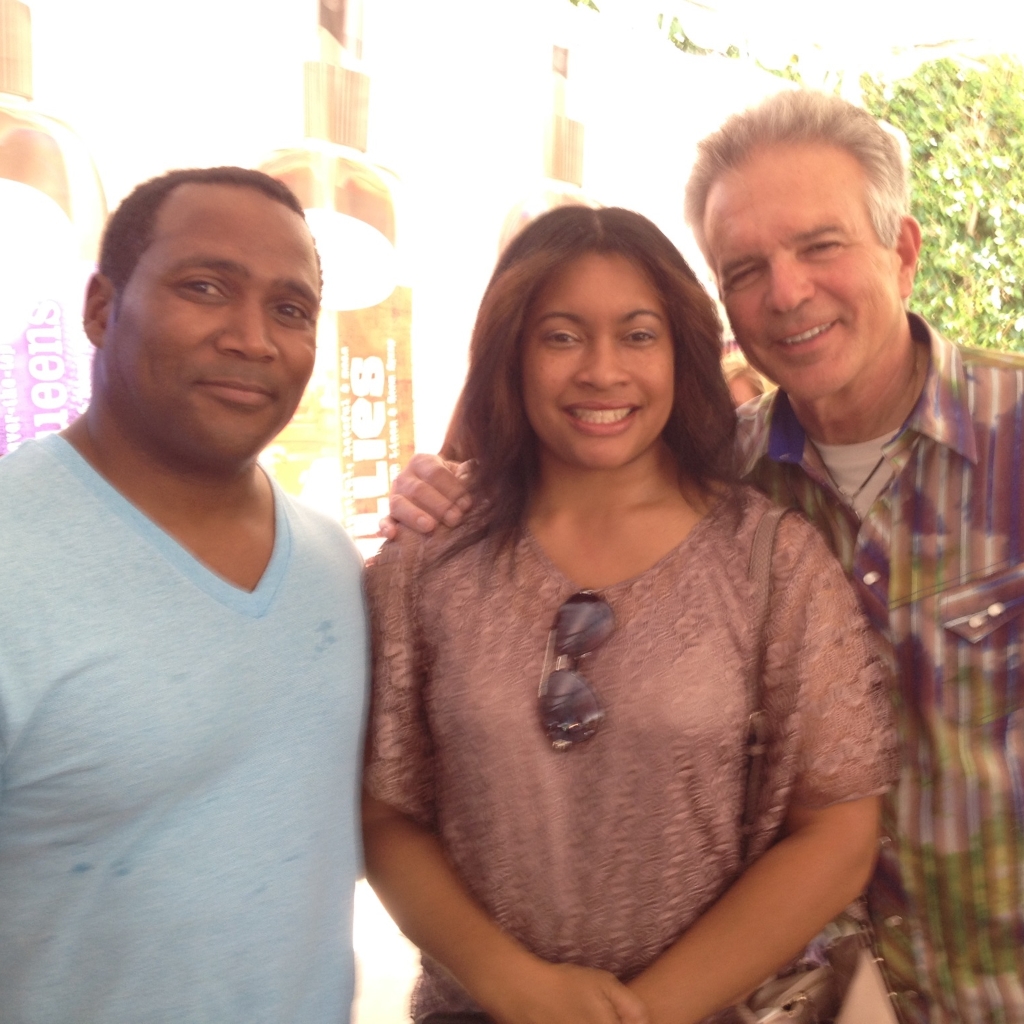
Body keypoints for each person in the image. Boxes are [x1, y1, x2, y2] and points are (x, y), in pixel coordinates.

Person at [384, 90, 1024, 1024]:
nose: (787, 291)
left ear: (904, 251)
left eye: (821, 246)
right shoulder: (715, 483)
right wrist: (437, 493)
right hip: (799, 997)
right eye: (746, 267)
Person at [363, 205, 896, 1024]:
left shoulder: (771, 562)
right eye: (562, 337)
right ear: (511, 354)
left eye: (638, 336)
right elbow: (388, 811)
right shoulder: (428, 559)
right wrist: (514, 985)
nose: (602, 371)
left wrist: (645, 1013)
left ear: (683, 354)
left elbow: (836, 831)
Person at [0, 167, 367, 1023]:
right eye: (206, 288)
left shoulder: (335, 567)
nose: (253, 339)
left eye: (291, 310)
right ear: (100, 309)